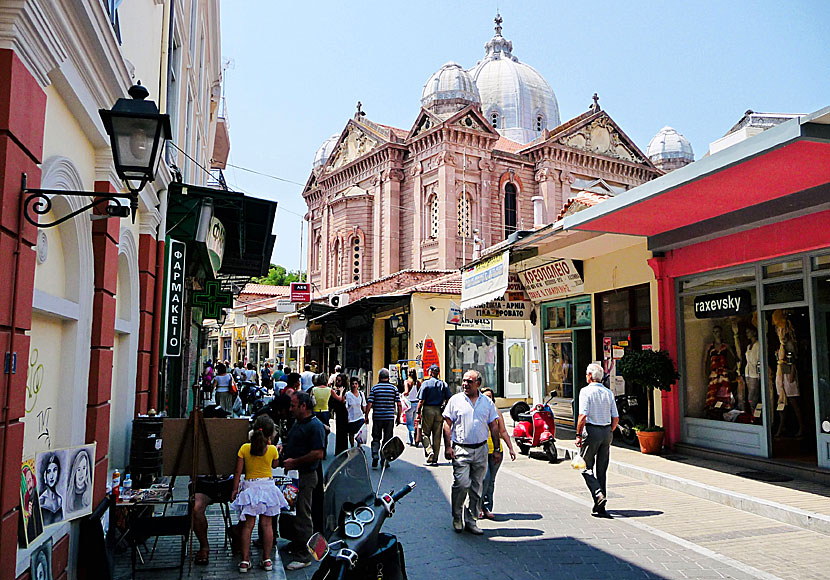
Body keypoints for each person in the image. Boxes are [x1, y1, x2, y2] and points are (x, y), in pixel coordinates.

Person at [442, 370, 500, 535]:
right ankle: (457, 516)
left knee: (477, 487)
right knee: (461, 484)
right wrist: (448, 446)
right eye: (464, 381)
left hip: (481, 449)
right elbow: (447, 423)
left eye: (469, 381)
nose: (465, 384)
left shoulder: (487, 403)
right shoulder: (455, 400)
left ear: (478, 384)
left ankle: (471, 519)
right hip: (461, 448)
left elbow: (494, 425)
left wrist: (496, 449)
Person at [231, 415, 288, 573]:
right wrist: (272, 447)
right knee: (267, 525)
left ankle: (244, 560)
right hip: (268, 488)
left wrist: (235, 489)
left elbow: (238, 471)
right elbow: (275, 464)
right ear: (270, 435)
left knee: (247, 526)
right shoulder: (271, 450)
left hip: (250, 488)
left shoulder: (244, 448)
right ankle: (267, 559)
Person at [278, 391, 325, 571]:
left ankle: (305, 555)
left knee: (303, 514)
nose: (290, 409)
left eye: (293, 406)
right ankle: (298, 544)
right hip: (294, 476)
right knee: (293, 512)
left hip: (305, 476)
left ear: (303, 406)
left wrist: (295, 462)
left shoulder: (315, 426)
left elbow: (318, 453)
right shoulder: (299, 423)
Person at [576, 362, 619, 518]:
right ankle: (600, 505)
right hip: (606, 431)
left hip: (592, 430)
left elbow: (582, 416)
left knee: (584, 466)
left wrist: (578, 435)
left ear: (589, 376)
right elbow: (616, 417)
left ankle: (598, 493)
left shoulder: (585, 392)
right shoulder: (608, 393)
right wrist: (610, 431)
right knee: (602, 470)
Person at [479, 387, 516, 519]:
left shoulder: (496, 412)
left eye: (490, 396)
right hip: (481, 451)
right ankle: (478, 506)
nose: (488, 399)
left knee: (491, 481)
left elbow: (503, 431)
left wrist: (511, 448)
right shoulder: (478, 411)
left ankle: (487, 508)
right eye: (485, 396)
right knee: (484, 479)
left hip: (496, 451)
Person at [365, 368, 402, 469]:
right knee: (387, 440)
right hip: (389, 418)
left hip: (377, 417)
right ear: (388, 377)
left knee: (376, 437)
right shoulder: (393, 389)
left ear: (379, 377)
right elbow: (399, 404)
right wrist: (398, 417)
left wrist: (366, 416)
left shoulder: (375, 388)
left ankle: (375, 454)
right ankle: (384, 459)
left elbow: (370, 403)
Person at [417, 364, 451, 465]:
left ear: (430, 372)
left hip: (428, 409)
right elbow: (449, 398)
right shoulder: (443, 384)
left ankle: (429, 451)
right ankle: (435, 458)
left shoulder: (426, 384)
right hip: (439, 410)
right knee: (437, 435)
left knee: (425, 433)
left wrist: (418, 412)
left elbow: (421, 400)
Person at [38, 453, 63, 526]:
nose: (52, 476)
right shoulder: (41, 501)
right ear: (45, 475)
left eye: (54, 470)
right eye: (49, 471)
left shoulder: (59, 499)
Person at [330, 373, 350, 455]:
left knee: (344, 432)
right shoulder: (336, 389)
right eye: (337, 380)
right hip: (338, 412)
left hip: (344, 412)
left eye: (339, 381)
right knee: (338, 431)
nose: (337, 382)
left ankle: (343, 450)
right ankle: (338, 450)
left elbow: (342, 400)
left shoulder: (345, 390)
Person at [66, 448, 92, 513]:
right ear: (74, 471)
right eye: (78, 469)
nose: (81, 473)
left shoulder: (89, 493)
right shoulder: (69, 495)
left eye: (84, 468)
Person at [346, 377, 367, 448]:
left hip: (360, 417)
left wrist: (366, 415)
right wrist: (347, 417)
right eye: (352, 384)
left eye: (356, 384)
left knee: (360, 433)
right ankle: (352, 447)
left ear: (358, 385)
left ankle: (359, 447)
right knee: (351, 434)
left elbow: (364, 406)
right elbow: (346, 407)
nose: (354, 385)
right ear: (350, 385)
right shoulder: (347, 395)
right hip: (351, 418)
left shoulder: (361, 394)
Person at [403, 369, 421, 446]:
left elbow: (406, 392)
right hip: (416, 404)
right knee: (413, 422)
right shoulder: (418, 382)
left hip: (409, 404)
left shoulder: (407, 382)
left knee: (409, 424)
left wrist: (402, 394)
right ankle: (409, 440)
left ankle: (413, 432)